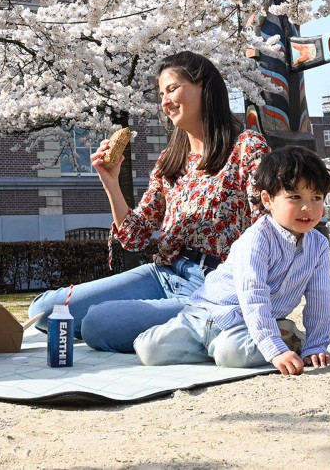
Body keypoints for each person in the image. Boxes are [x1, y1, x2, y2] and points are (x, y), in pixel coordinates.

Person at [28, 51, 270, 353]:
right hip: (163, 273)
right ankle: (188, 332)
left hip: (213, 284)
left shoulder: (246, 147)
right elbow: (135, 235)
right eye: (161, 94)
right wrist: (110, 181)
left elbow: (267, 226)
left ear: (204, 86)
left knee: (97, 324)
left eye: (172, 89)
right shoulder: (172, 158)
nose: (165, 101)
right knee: (46, 307)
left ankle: (215, 325)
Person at [134, 146, 330, 373]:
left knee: (229, 354)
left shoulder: (318, 245)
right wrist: (273, 348)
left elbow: (320, 300)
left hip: (247, 326)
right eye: (295, 197)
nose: (307, 207)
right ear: (268, 200)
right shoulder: (257, 238)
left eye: (316, 197)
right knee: (147, 350)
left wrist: (315, 345)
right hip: (204, 314)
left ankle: (286, 337)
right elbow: (254, 293)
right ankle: (217, 345)